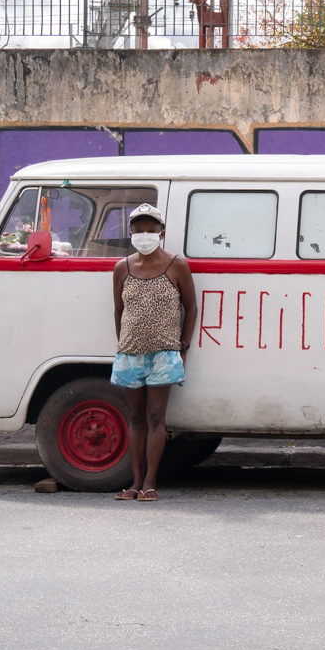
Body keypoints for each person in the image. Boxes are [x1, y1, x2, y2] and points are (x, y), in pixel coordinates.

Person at [110, 203, 197, 501]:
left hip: (164, 354)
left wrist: (182, 346)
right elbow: (118, 311)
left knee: (156, 417)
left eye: (150, 229)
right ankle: (134, 483)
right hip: (130, 354)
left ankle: (150, 483)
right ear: (130, 232)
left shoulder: (176, 265)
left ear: (161, 232)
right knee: (135, 418)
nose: (144, 234)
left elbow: (192, 307)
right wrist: (124, 346)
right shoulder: (122, 267)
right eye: (138, 229)